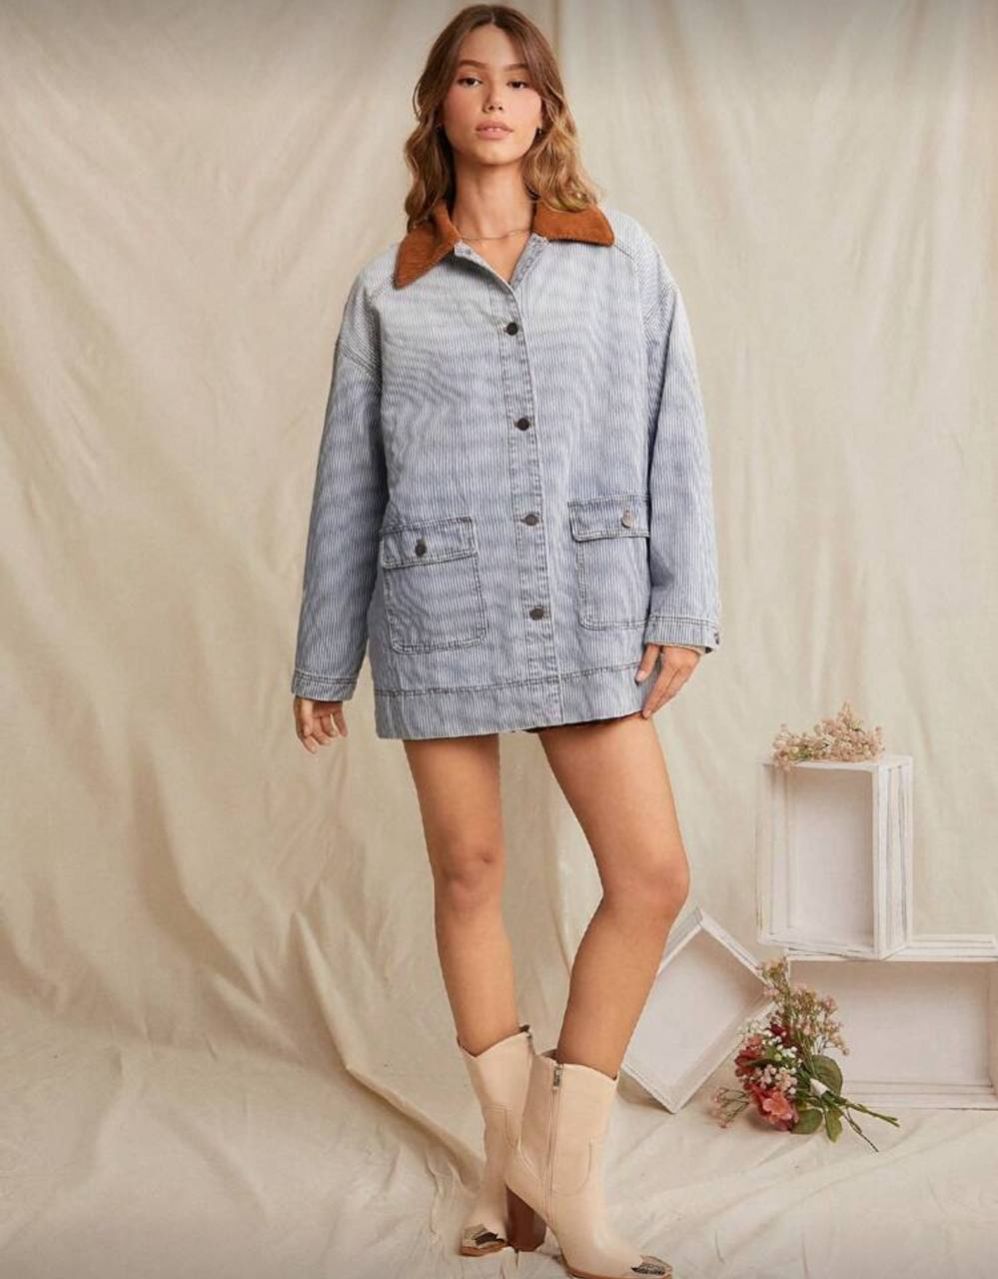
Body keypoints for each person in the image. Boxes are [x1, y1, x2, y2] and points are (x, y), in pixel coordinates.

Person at [291, 6, 721, 1277]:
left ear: (545, 107)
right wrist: (323, 657)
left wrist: (680, 606)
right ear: (439, 104)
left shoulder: (620, 257)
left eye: (517, 81)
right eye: (471, 80)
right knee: (468, 874)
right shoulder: (388, 290)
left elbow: (677, 434)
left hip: (588, 597)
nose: (494, 100)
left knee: (648, 876)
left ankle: (563, 1175)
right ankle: (504, 1161)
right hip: (442, 603)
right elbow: (348, 482)